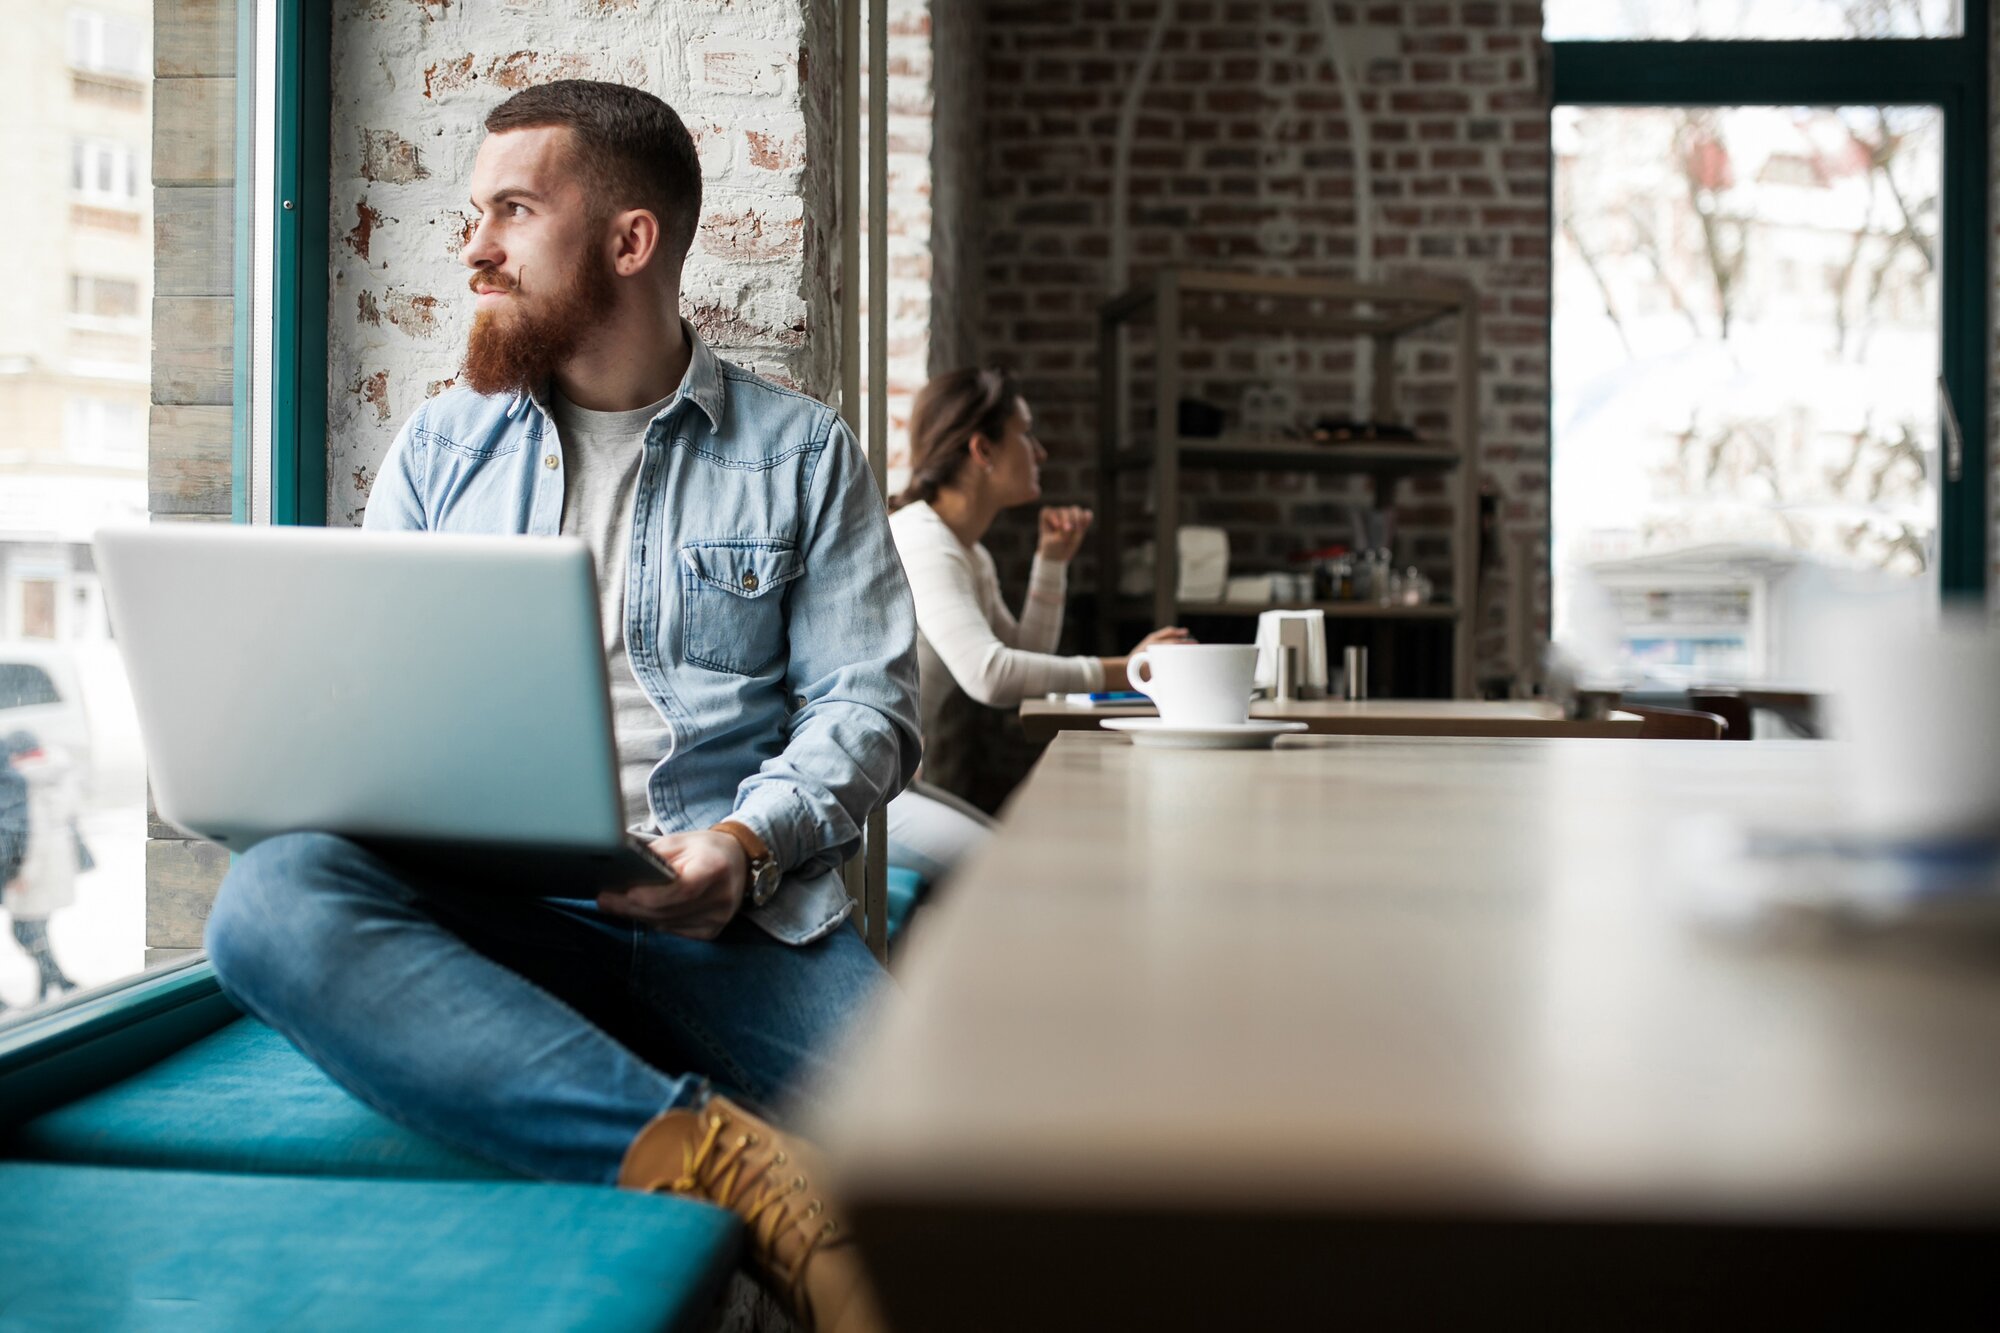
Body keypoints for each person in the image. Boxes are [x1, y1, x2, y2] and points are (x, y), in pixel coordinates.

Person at [201, 81, 917, 1332]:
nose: (472, 246)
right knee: (267, 901)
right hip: (498, 908)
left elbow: (867, 707)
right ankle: (721, 1164)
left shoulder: (803, 452)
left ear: (628, 243)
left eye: (513, 212)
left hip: (735, 926)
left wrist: (743, 848)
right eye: (471, 216)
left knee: (957, 1179)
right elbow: (367, 699)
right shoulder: (440, 447)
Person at [884, 367, 1188, 878]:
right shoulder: (922, 539)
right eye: (1025, 434)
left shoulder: (965, 550)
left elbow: (1022, 652)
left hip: (896, 785)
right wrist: (1132, 668)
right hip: (867, 800)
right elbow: (992, 675)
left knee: (1015, 856)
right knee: (1013, 873)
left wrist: (1052, 563)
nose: (1040, 452)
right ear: (982, 451)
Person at [1, 730, 81, 1009]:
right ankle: (52, 984)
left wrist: (24, 874)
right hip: (57, 860)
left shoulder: (30, 780)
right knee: (37, 930)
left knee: (24, 930)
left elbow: (35, 832)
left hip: (39, 865)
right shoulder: (57, 771)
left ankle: (58, 982)